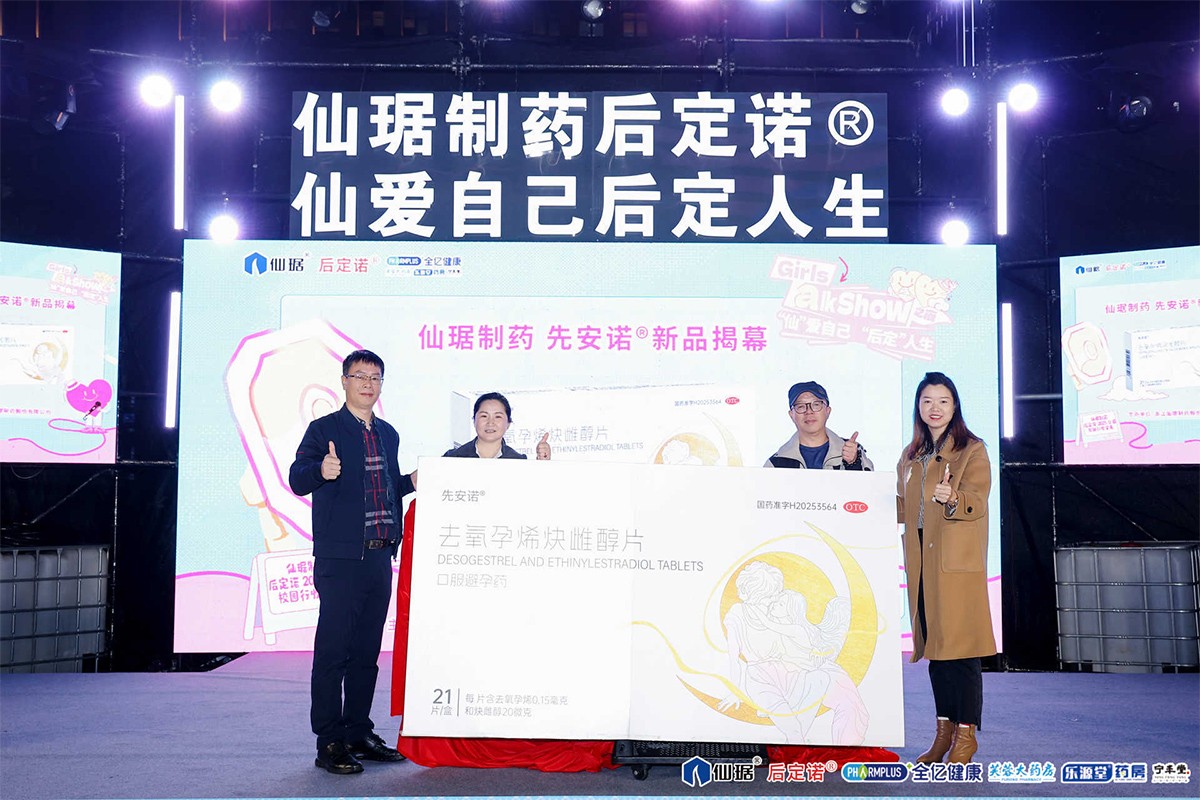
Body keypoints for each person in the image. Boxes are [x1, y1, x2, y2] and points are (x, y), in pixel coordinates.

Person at [288, 349, 416, 775]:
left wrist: (412, 482)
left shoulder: (388, 434)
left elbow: (385, 488)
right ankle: (329, 740)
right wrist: (320, 470)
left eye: (375, 377)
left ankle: (359, 731)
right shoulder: (324, 429)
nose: (368, 384)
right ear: (344, 381)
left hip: (379, 555)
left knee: (366, 652)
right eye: (360, 376)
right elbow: (297, 478)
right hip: (341, 558)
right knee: (334, 652)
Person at [897, 371, 995, 764]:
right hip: (922, 563)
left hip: (955, 565)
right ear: (918, 408)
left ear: (954, 406)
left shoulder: (972, 449)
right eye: (927, 401)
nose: (934, 408)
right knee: (937, 652)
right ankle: (944, 734)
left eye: (942, 400)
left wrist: (954, 497)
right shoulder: (911, 455)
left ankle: (966, 737)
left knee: (961, 652)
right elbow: (901, 505)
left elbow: (978, 499)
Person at [715, 561, 869, 745]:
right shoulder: (738, 614)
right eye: (769, 596)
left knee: (839, 691)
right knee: (794, 729)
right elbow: (734, 657)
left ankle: (844, 748)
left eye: (775, 594)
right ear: (753, 594)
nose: (774, 600)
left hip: (794, 671)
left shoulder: (778, 610)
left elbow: (801, 638)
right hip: (764, 678)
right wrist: (735, 691)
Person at [765, 381, 873, 471]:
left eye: (816, 405)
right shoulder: (776, 463)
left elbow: (870, 487)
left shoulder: (853, 451)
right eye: (801, 406)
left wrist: (853, 464)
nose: (809, 412)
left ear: (828, 411)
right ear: (791, 415)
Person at [441, 391, 551, 460]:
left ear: (508, 423)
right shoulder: (453, 458)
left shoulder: (517, 461)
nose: (490, 422)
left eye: (498, 417)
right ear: (474, 420)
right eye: (484, 416)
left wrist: (542, 465)